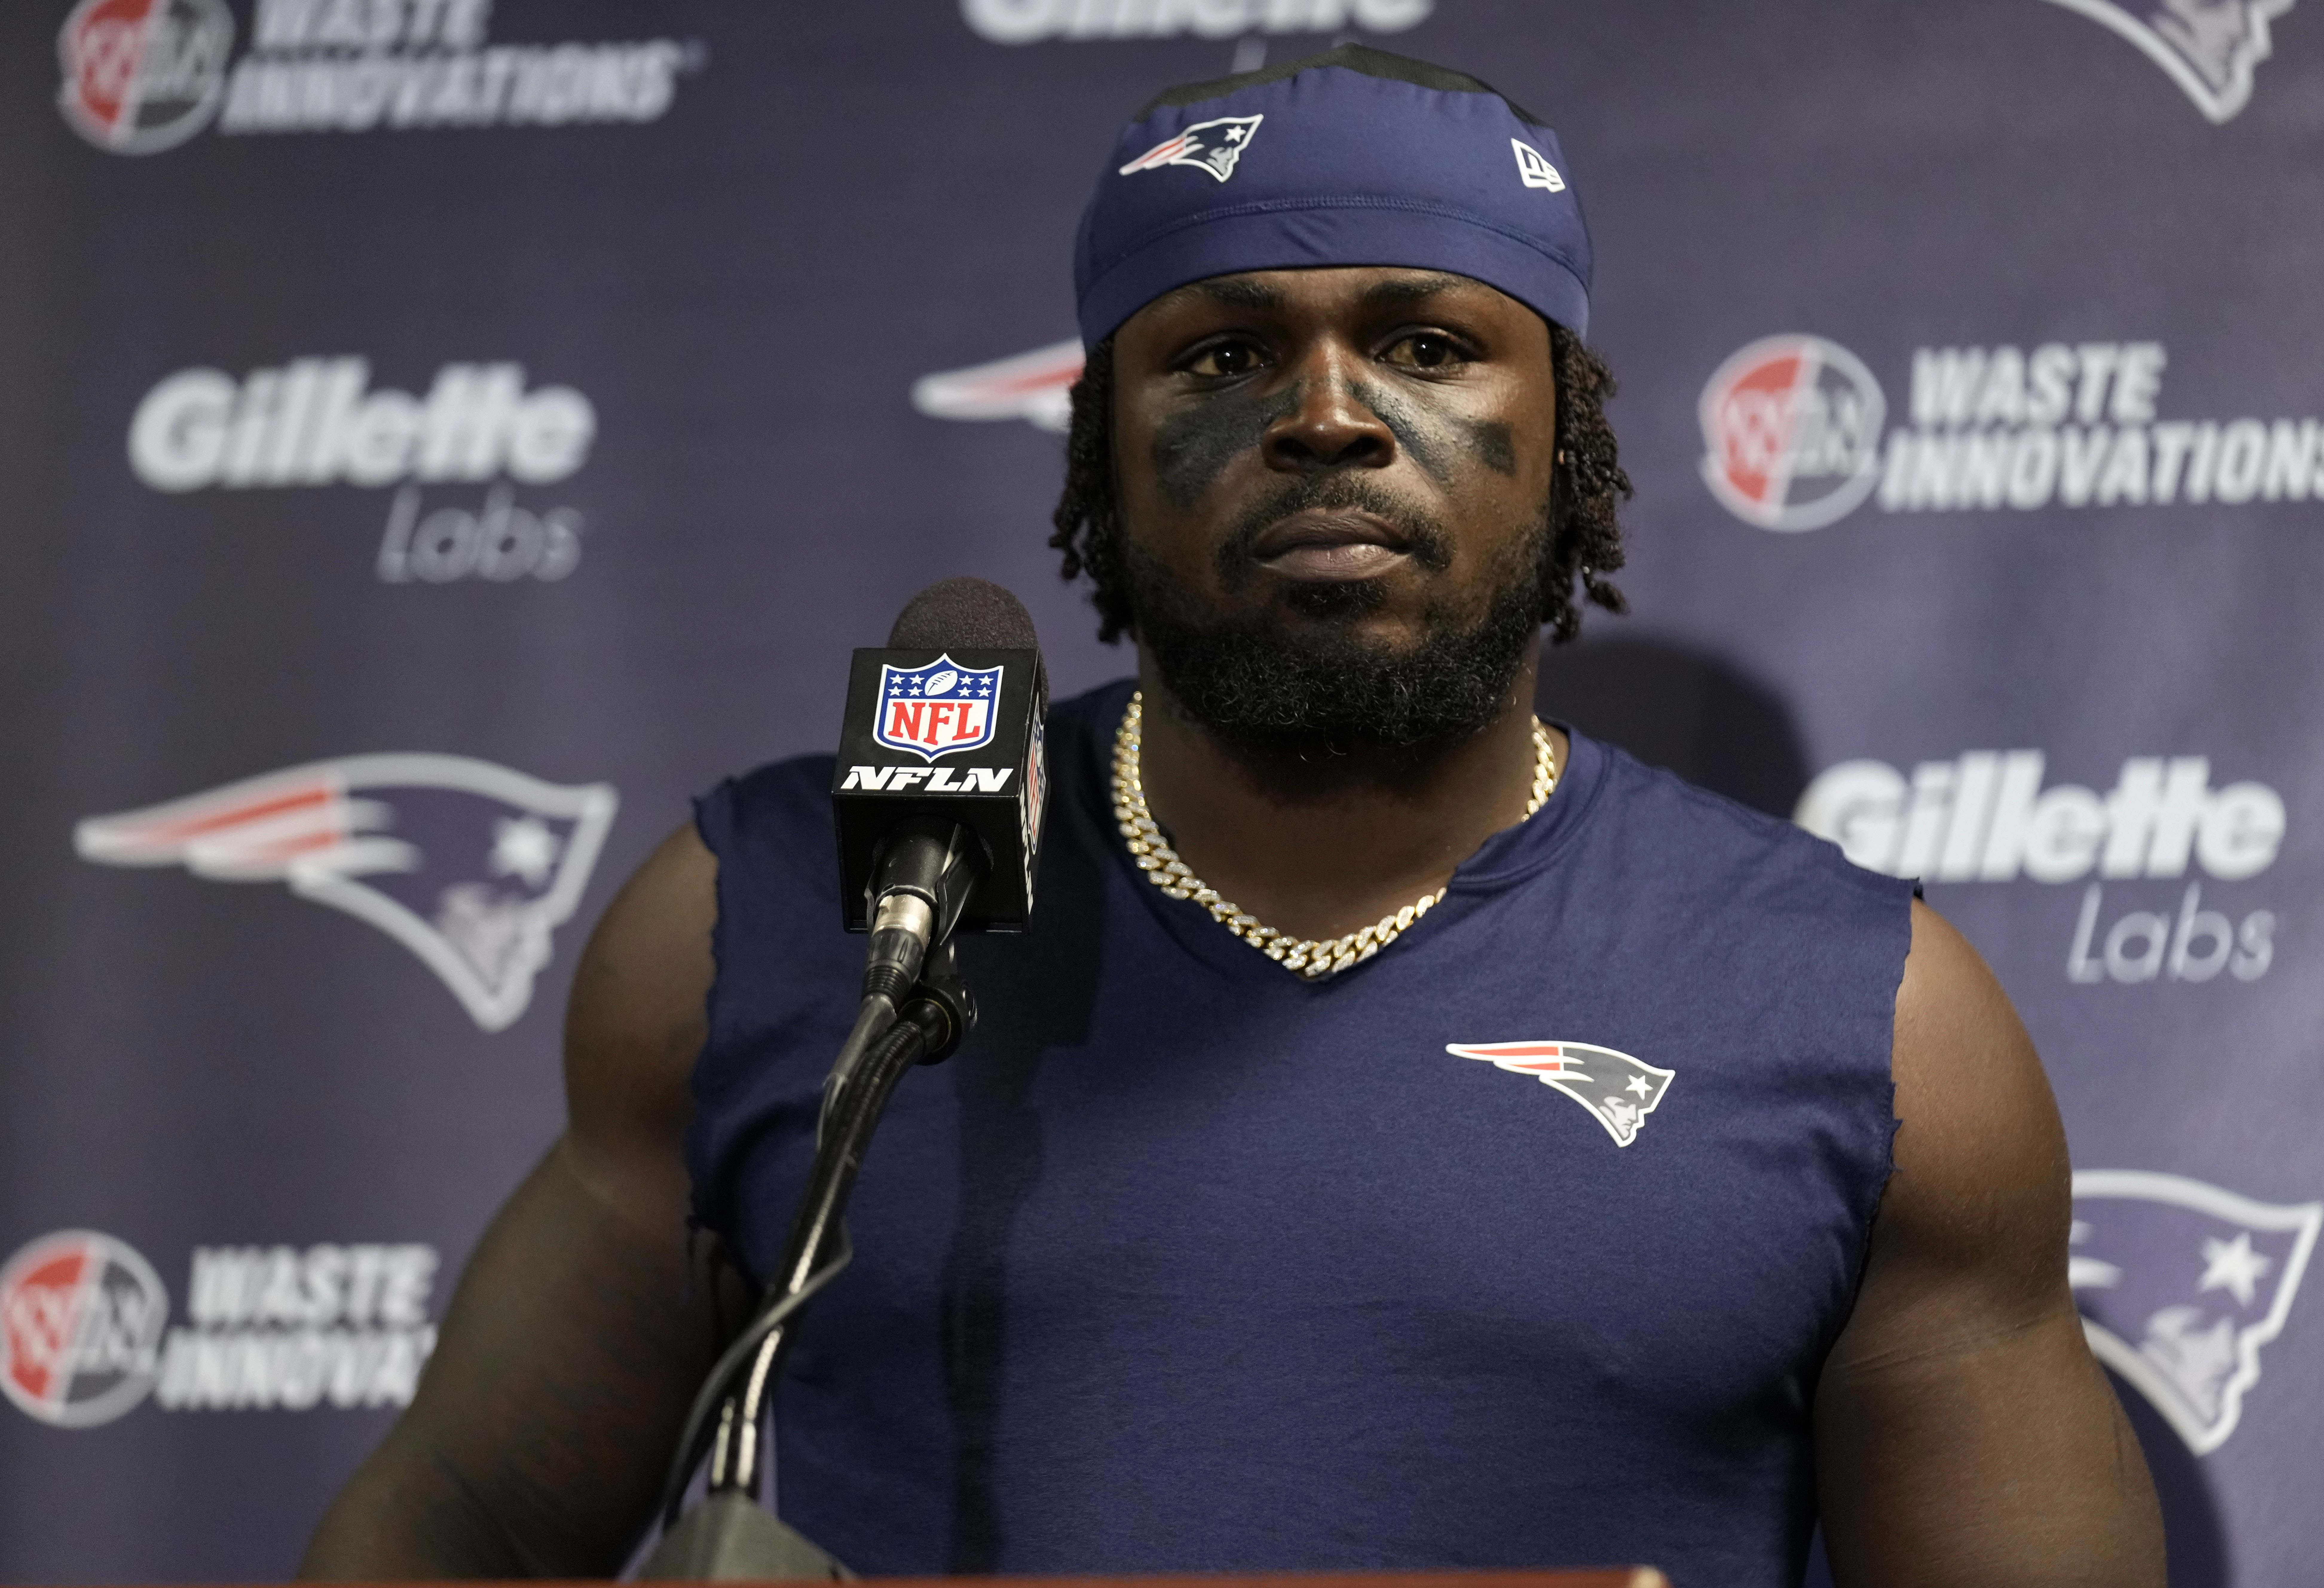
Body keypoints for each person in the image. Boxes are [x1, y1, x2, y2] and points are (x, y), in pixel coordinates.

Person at [302, 47, 2163, 1587]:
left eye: (1429, 345)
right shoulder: (784, 911)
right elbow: (464, 1522)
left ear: (1569, 433)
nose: (1327, 415)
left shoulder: (1863, 1011)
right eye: (1220, 355)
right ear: (1098, 444)